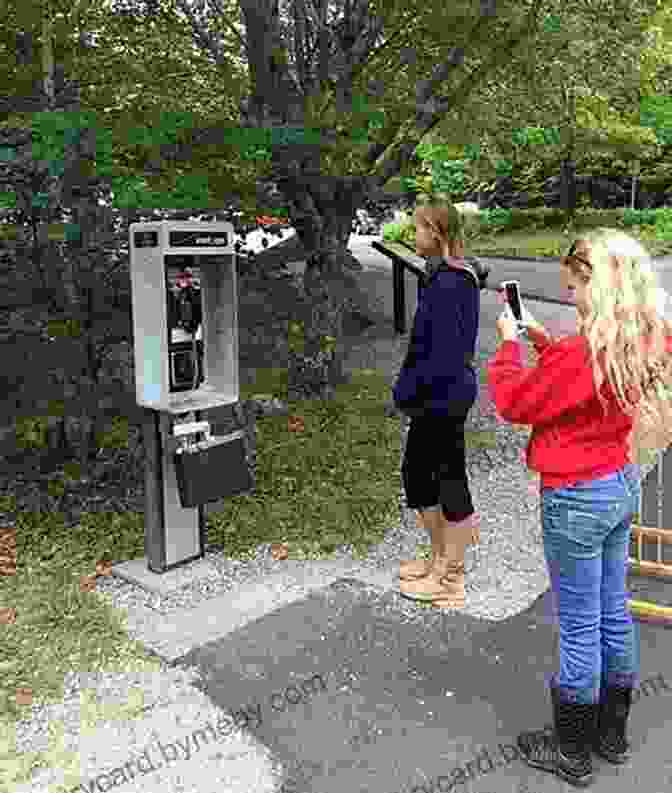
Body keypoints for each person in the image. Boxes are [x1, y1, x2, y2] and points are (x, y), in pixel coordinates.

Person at [488, 229, 672, 787]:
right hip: (618, 482)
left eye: (576, 289)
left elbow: (514, 401)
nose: (573, 298)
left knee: (578, 625)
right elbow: (583, 388)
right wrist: (546, 342)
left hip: (575, 495)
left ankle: (570, 749)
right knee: (614, 608)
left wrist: (509, 345)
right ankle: (611, 734)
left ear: (598, 282)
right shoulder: (648, 337)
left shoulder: (580, 353)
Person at [393, 202, 483, 610]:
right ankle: (438, 559)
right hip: (434, 395)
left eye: (418, 229)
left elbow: (441, 354)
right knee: (418, 476)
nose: (414, 236)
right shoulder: (441, 277)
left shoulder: (452, 282)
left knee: (448, 478)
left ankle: (451, 577)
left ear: (436, 231)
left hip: (443, 396)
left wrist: (409, 393)